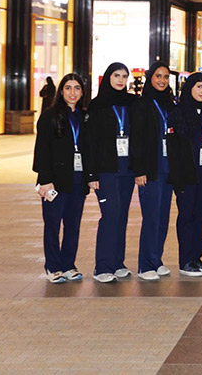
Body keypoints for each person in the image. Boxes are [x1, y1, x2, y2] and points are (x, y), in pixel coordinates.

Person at [33, 73, 89, 283]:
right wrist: (45, 180)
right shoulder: (50, 116)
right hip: (55, 181)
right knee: (53, 225)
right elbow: (42, 150)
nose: (72, 93)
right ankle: (53, 266)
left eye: (77, 88)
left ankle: (68, 265)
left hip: (78, 181)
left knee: (73, 226)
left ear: (82, 92)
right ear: (61, 91)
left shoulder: (85, 117)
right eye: (68, 88)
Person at [84, 62, 136, 283]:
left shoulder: (131, 103)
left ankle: (117, 263)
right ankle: (102, 267)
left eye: (124, 76)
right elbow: (89, 142)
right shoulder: (97, 106)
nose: (121, 80)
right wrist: (91, 174)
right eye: (117, 75)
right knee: (110, 215)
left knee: (122, 216)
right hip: (106, 171)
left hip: (127, 170)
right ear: (108, 77)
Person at [129, 61, 176, 281]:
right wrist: (139, 170)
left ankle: (156, 260)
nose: (162, 80)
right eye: (158, 76)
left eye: (165, 77)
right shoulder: (142, 104)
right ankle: (145, 264)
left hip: (167, 170)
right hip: (151, 170)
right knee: (151, 217)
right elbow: (136, 139)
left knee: (163, 217)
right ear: (150, 78)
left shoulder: (169, 104)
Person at [167, 72, 202, 277]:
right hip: (187, 174)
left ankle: (196, 257)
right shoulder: (178, 112)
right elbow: (174, 148)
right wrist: (177, 179)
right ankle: (186, 260)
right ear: (190, 88)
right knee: (187, 216)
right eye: (199, 87)